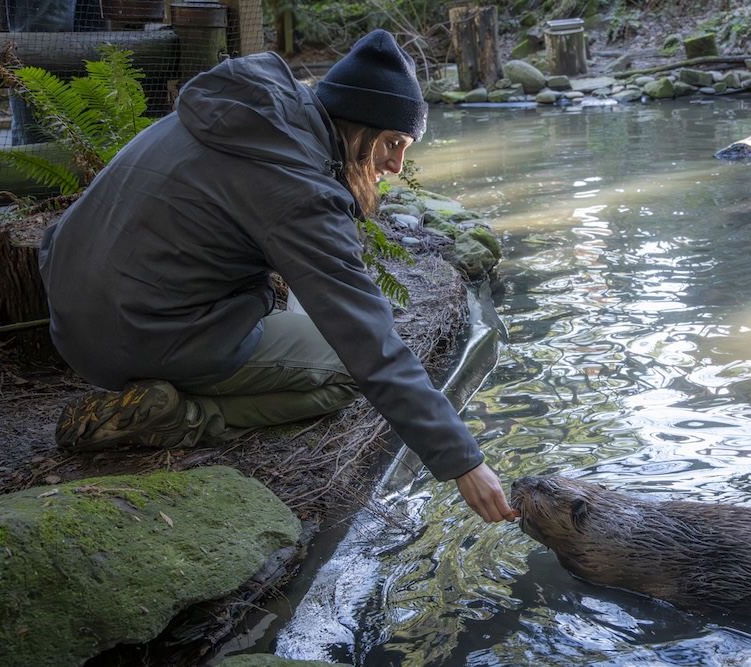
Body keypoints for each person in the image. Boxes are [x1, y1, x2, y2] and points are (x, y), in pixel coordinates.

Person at [38, 30, 515, 524]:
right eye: (392, 144)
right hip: (139, 336)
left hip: (70, 315)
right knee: (344, 371)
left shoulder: (242, 112)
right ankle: (180, 416)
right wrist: (463, 462)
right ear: (357, 132)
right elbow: (368, 345)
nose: (396, 165)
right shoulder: (296, 187)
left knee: (296, 306)